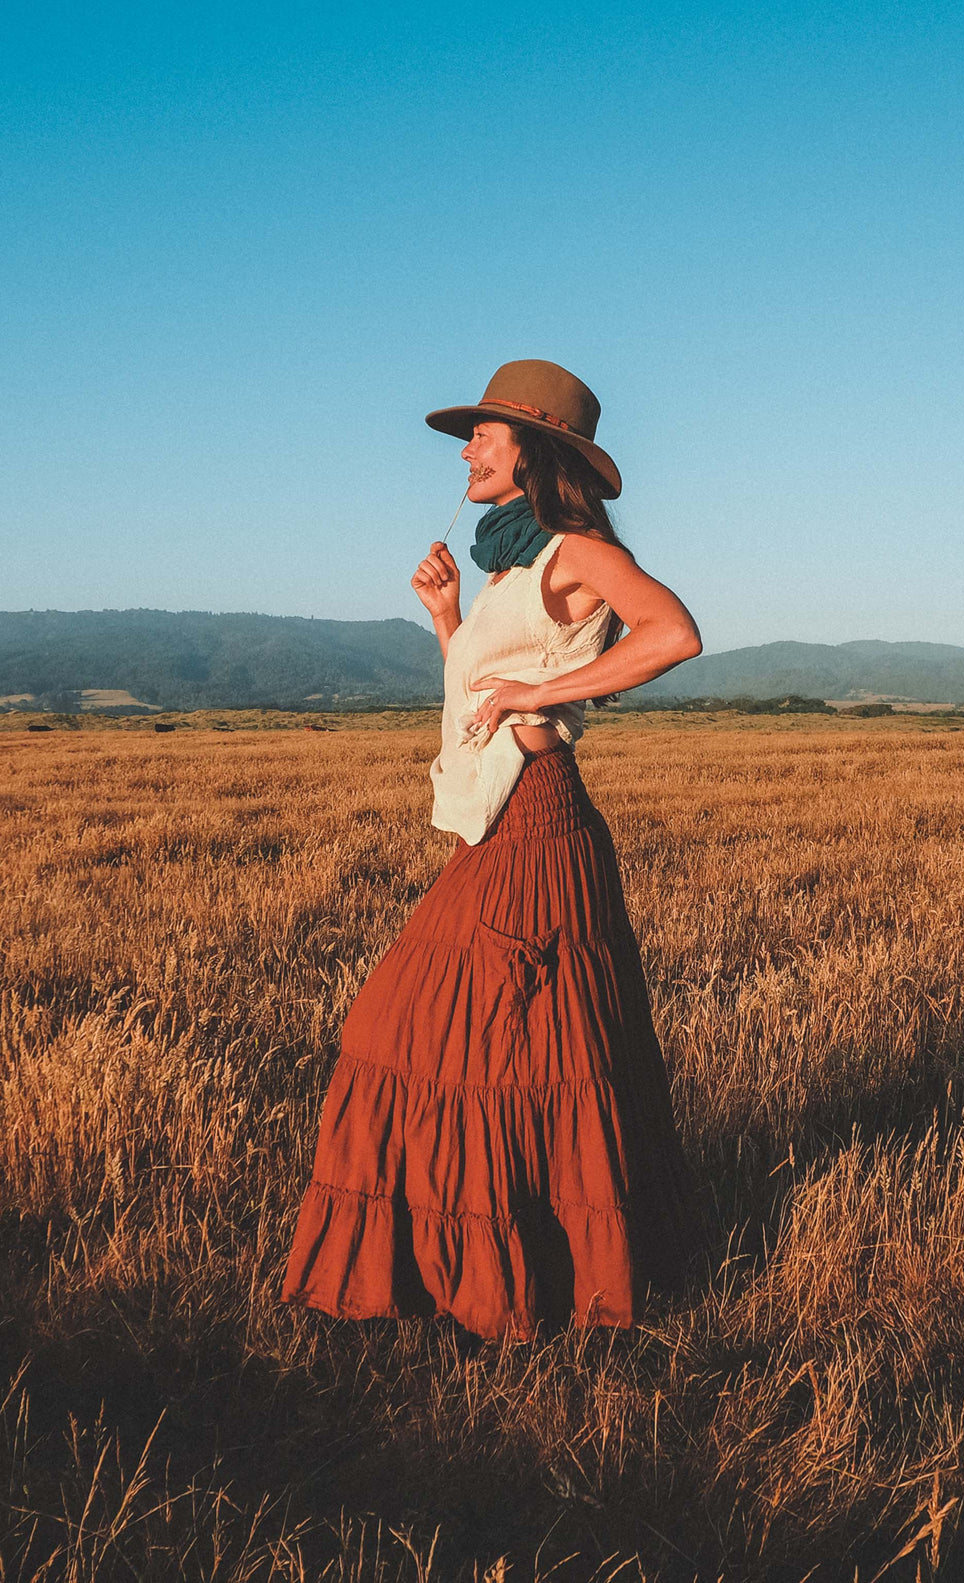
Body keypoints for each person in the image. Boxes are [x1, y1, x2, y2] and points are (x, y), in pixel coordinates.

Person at [281, 360, 703, 1340]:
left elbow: (673, 632)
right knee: (468, 1041)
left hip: (541, 819)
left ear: (533, 449)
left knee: (471, 1038)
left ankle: (518, 1283)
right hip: (501, 818)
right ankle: (479, 1274)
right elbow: (486, 688)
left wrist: (542, 696)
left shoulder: (573, 550)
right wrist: (448, 623)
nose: (466, 449)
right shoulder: (512, 565)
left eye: (482, 433)